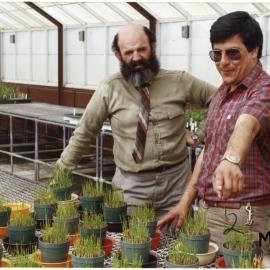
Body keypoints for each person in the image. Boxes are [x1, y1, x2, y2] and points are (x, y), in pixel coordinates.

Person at [56, 24, 215, 219]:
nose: (136, 57)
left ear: (153, 47)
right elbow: (85, 132)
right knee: (134, 243)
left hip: (177, 184)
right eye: (129, 52)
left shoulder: (179, 80)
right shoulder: (110, 89)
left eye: (141, 49)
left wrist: (200, 133)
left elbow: (219, 99)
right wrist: (60, 174)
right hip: (132, 188)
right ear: (118, 55)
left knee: (180, 243)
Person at [158, 11, 270, 265]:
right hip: (208, 212)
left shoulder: (263, 89)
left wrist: (231, 160)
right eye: (216, 54)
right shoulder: (221, 93)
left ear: (254, 51)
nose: (223, 62)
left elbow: (248, 123)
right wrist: (185, 201)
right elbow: (208, 150)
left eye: (233, 53)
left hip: (246, 217)